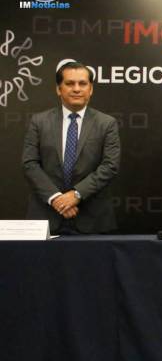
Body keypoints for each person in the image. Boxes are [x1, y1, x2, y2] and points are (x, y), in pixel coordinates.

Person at [22, 61, 121, 234]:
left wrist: (76, 195)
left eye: (82, 83)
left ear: (91, 89)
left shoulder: (107, 124)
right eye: (69, 83)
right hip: (46, 218)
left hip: (92, 220)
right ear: (58, 89)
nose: (76, 89)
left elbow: (110, 166)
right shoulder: (39, 121)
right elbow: (30, 164)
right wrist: (56, 199)